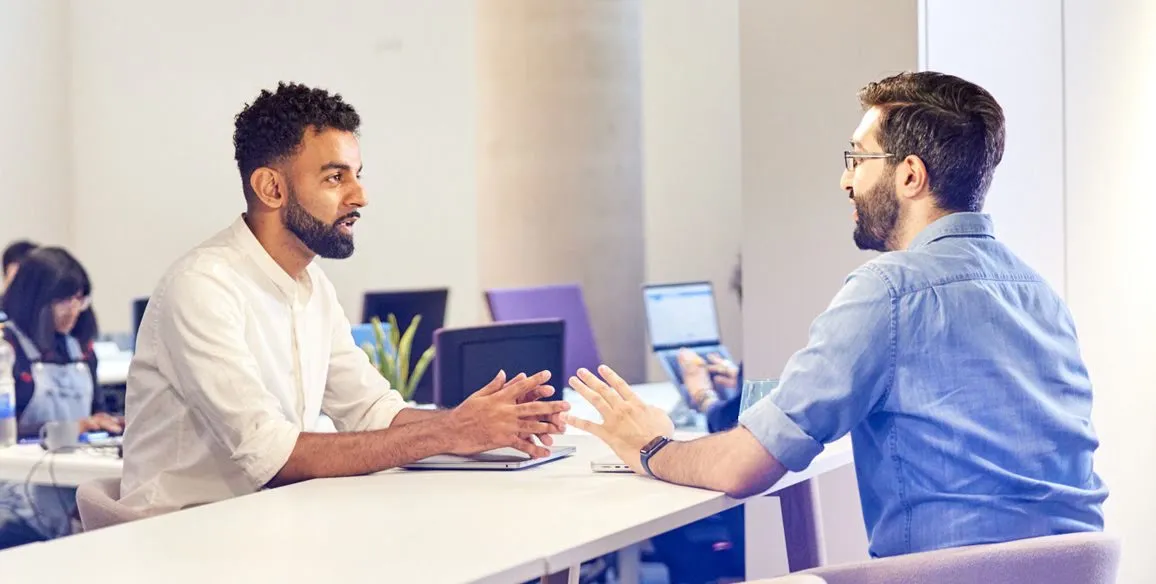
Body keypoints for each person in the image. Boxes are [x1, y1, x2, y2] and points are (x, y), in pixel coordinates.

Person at [567, 71, 1107, 559]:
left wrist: (651, 446)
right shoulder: (1038, 294)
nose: (845, 181)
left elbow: (742, 469)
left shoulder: (889, 290)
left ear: (910, 175)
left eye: (857, 159)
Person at [119, 82, 570, 515]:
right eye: (336, 177)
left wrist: (483, 426)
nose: (361, 196)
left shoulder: (313, 287)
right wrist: (450, 431)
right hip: (186, 543)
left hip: (270, 527)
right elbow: (271, 457)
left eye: (357, 175)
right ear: (271, 188)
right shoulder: (203, 286)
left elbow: (373, 411)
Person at [0, 247, 122, 549]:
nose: (75, 309)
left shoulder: (80, 350)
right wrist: (78, 425)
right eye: (65, 300)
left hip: (71, 490)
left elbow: (94, 411)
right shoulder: (8, 349)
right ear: (36, 300)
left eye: (80, 299)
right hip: (17, 498)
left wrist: (105, 423)